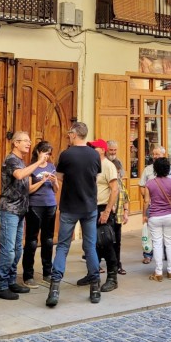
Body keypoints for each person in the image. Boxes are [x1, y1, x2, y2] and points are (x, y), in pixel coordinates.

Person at [46, 122, 102, 307]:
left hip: (70, 206)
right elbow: (94, 176)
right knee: (90, 247)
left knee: (62, 246)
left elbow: (60, 176)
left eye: (70, 133)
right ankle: (95, 287)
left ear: (76, 134)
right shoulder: (94, 154)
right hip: (89, 206)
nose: (68, 135)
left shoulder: (66, 154)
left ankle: (54, 289)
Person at [0, 131, 49, 300]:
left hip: (20, 211)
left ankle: (11, 281)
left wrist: (42, 180)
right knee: (8, 250)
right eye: (25, 141)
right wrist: (39, 162)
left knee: (17, 250)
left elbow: (27, 188)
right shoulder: (11, 160)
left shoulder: (21, 162)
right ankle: (1, 286)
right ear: (15, 143)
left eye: (29, 141)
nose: (29, 143)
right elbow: (19, 175)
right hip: (9, 210)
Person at [77, 139, 120, 292]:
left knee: (106, 242)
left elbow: (114, 190)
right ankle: (92, 273)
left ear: (102, 150)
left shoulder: (108, 166)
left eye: (94, 147)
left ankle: (112, 278)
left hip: (103, 208)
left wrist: (107, 211)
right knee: (90, 245)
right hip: (89, 208)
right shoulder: (91, 164)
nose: (91, 149)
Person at [20, 140, 58, 289]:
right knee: (32, 241)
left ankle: (47, 273)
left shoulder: (51, 167)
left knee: (48, 240)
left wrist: (54, 182)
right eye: (44, 152)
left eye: (49, 153)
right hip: (35, 206)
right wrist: (42, 181)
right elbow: (28, 189)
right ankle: (28, 275)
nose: (46, 156)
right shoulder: (31, 167)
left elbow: (56, 190)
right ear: (38, 152)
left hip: (50, 205)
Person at [138, 144, 171, 263]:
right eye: (154, 154)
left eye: (158, 154)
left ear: (163, 155)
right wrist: (148, 196)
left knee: (166, 237)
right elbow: (142, 186)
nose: (155, 156)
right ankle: (148, 255)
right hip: (152, 206)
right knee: (151, 233)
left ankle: (164, 261)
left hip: (167, 206)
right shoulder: (147, 170)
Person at [143, 156, 171, 281]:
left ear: (155, 169)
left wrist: (144, 215)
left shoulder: (150, 183)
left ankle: (158, 272)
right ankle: (170, 271)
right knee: (169, 242)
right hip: (168, 216)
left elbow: (146, 201)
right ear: (168, 169)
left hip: (154, 216)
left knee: (157, 243)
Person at [108, 145, 130, 276]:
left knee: (117, 241)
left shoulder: (120, 182)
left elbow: (126, 196)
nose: (116, 173)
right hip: (108, 215)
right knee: (106, 241)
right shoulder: (107, 182)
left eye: (118, 171)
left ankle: (117, 264)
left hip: (118, 216)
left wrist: (126, 212)